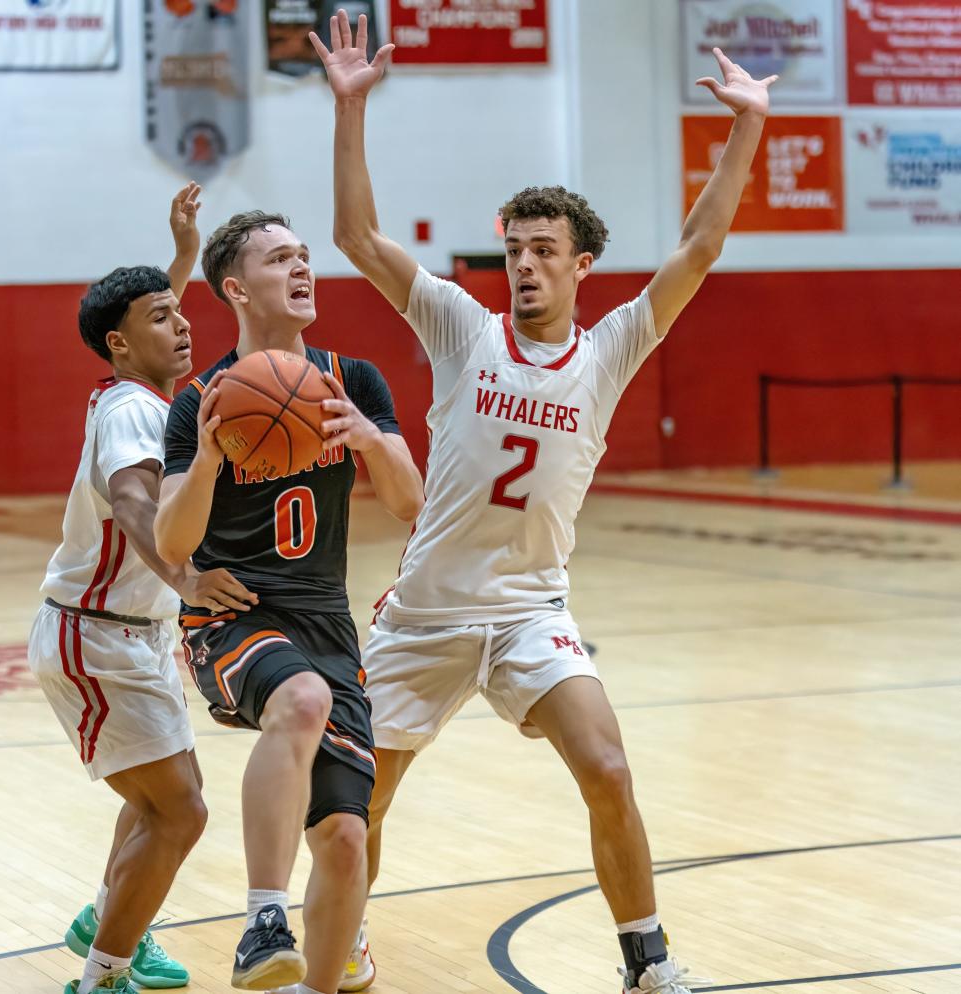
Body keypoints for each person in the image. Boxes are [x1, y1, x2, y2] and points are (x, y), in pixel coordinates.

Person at [312, 14, 777, 993]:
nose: (522, 263)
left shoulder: (609, 350)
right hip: (429, 610)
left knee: (607, 764)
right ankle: (343, 944)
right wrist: (351, 108)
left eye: (543, 250)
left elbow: (698, 247)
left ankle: (646, 959)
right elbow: (356, 235)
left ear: (579, 266)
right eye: (514, 247)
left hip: (530, 608)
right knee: (362, 808)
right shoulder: (460, 326)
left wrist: (748, 126)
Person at [155, 209, 423, 994]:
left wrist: (370, 440)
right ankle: (264, 915)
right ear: (236, 288)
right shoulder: (199, 399)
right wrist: (206, 459)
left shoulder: (355, 378)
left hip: (327, 623)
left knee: (345, 836)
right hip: (232, 617)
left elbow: (411, 501)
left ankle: (319, 980)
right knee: (300, 700)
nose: (303, 269)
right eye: (280, 260)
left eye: (305, 256)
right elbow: (173, 543)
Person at [28, 184, 259, 994]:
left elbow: (147, 312)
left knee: (161, 799)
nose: (183, 321)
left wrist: (185, 254)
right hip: (98, 635)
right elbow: (133, 503)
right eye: (162, 317)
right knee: (180, 810)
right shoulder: (131, 407)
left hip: (131, 631)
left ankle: (107, 920)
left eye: (180, 309)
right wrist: (189, 578)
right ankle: (102, 976)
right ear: (120, 346)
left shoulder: (134, 388)